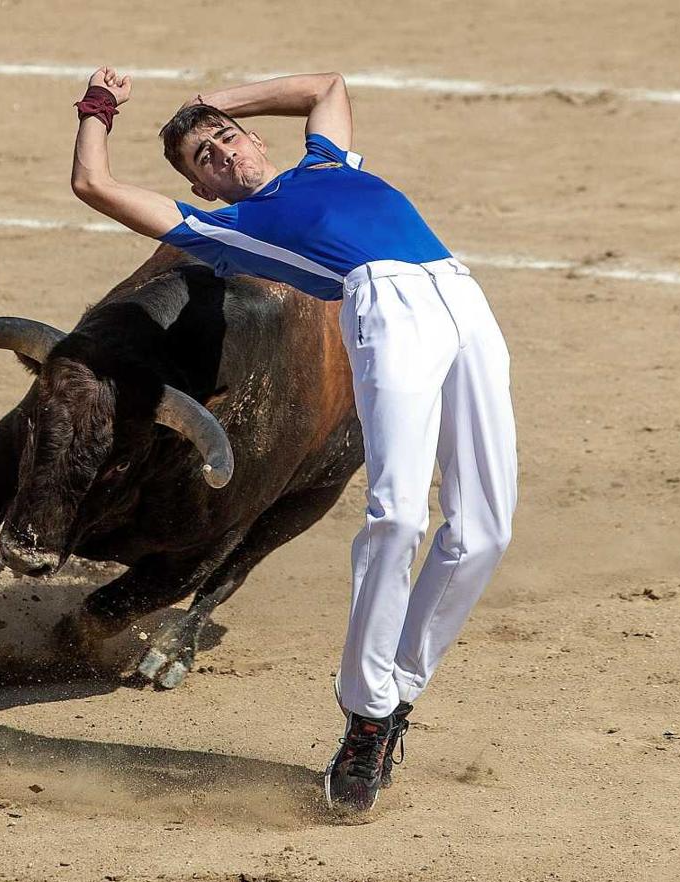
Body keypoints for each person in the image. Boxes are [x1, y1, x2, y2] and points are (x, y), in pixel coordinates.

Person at [70, 67, 517, 812]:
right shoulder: (222, 230)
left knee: (484, 529)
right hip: (384, 306)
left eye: (226, 138)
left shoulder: (325, 162)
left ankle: (393, 697)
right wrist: (97, 110)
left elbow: (326, 87)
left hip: (461, 297)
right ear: (202, 189)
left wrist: (212, 103)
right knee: (399, 516)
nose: (221, 152)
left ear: (255, 138)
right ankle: (367, 713)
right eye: (202, 159)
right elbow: (93, 185)